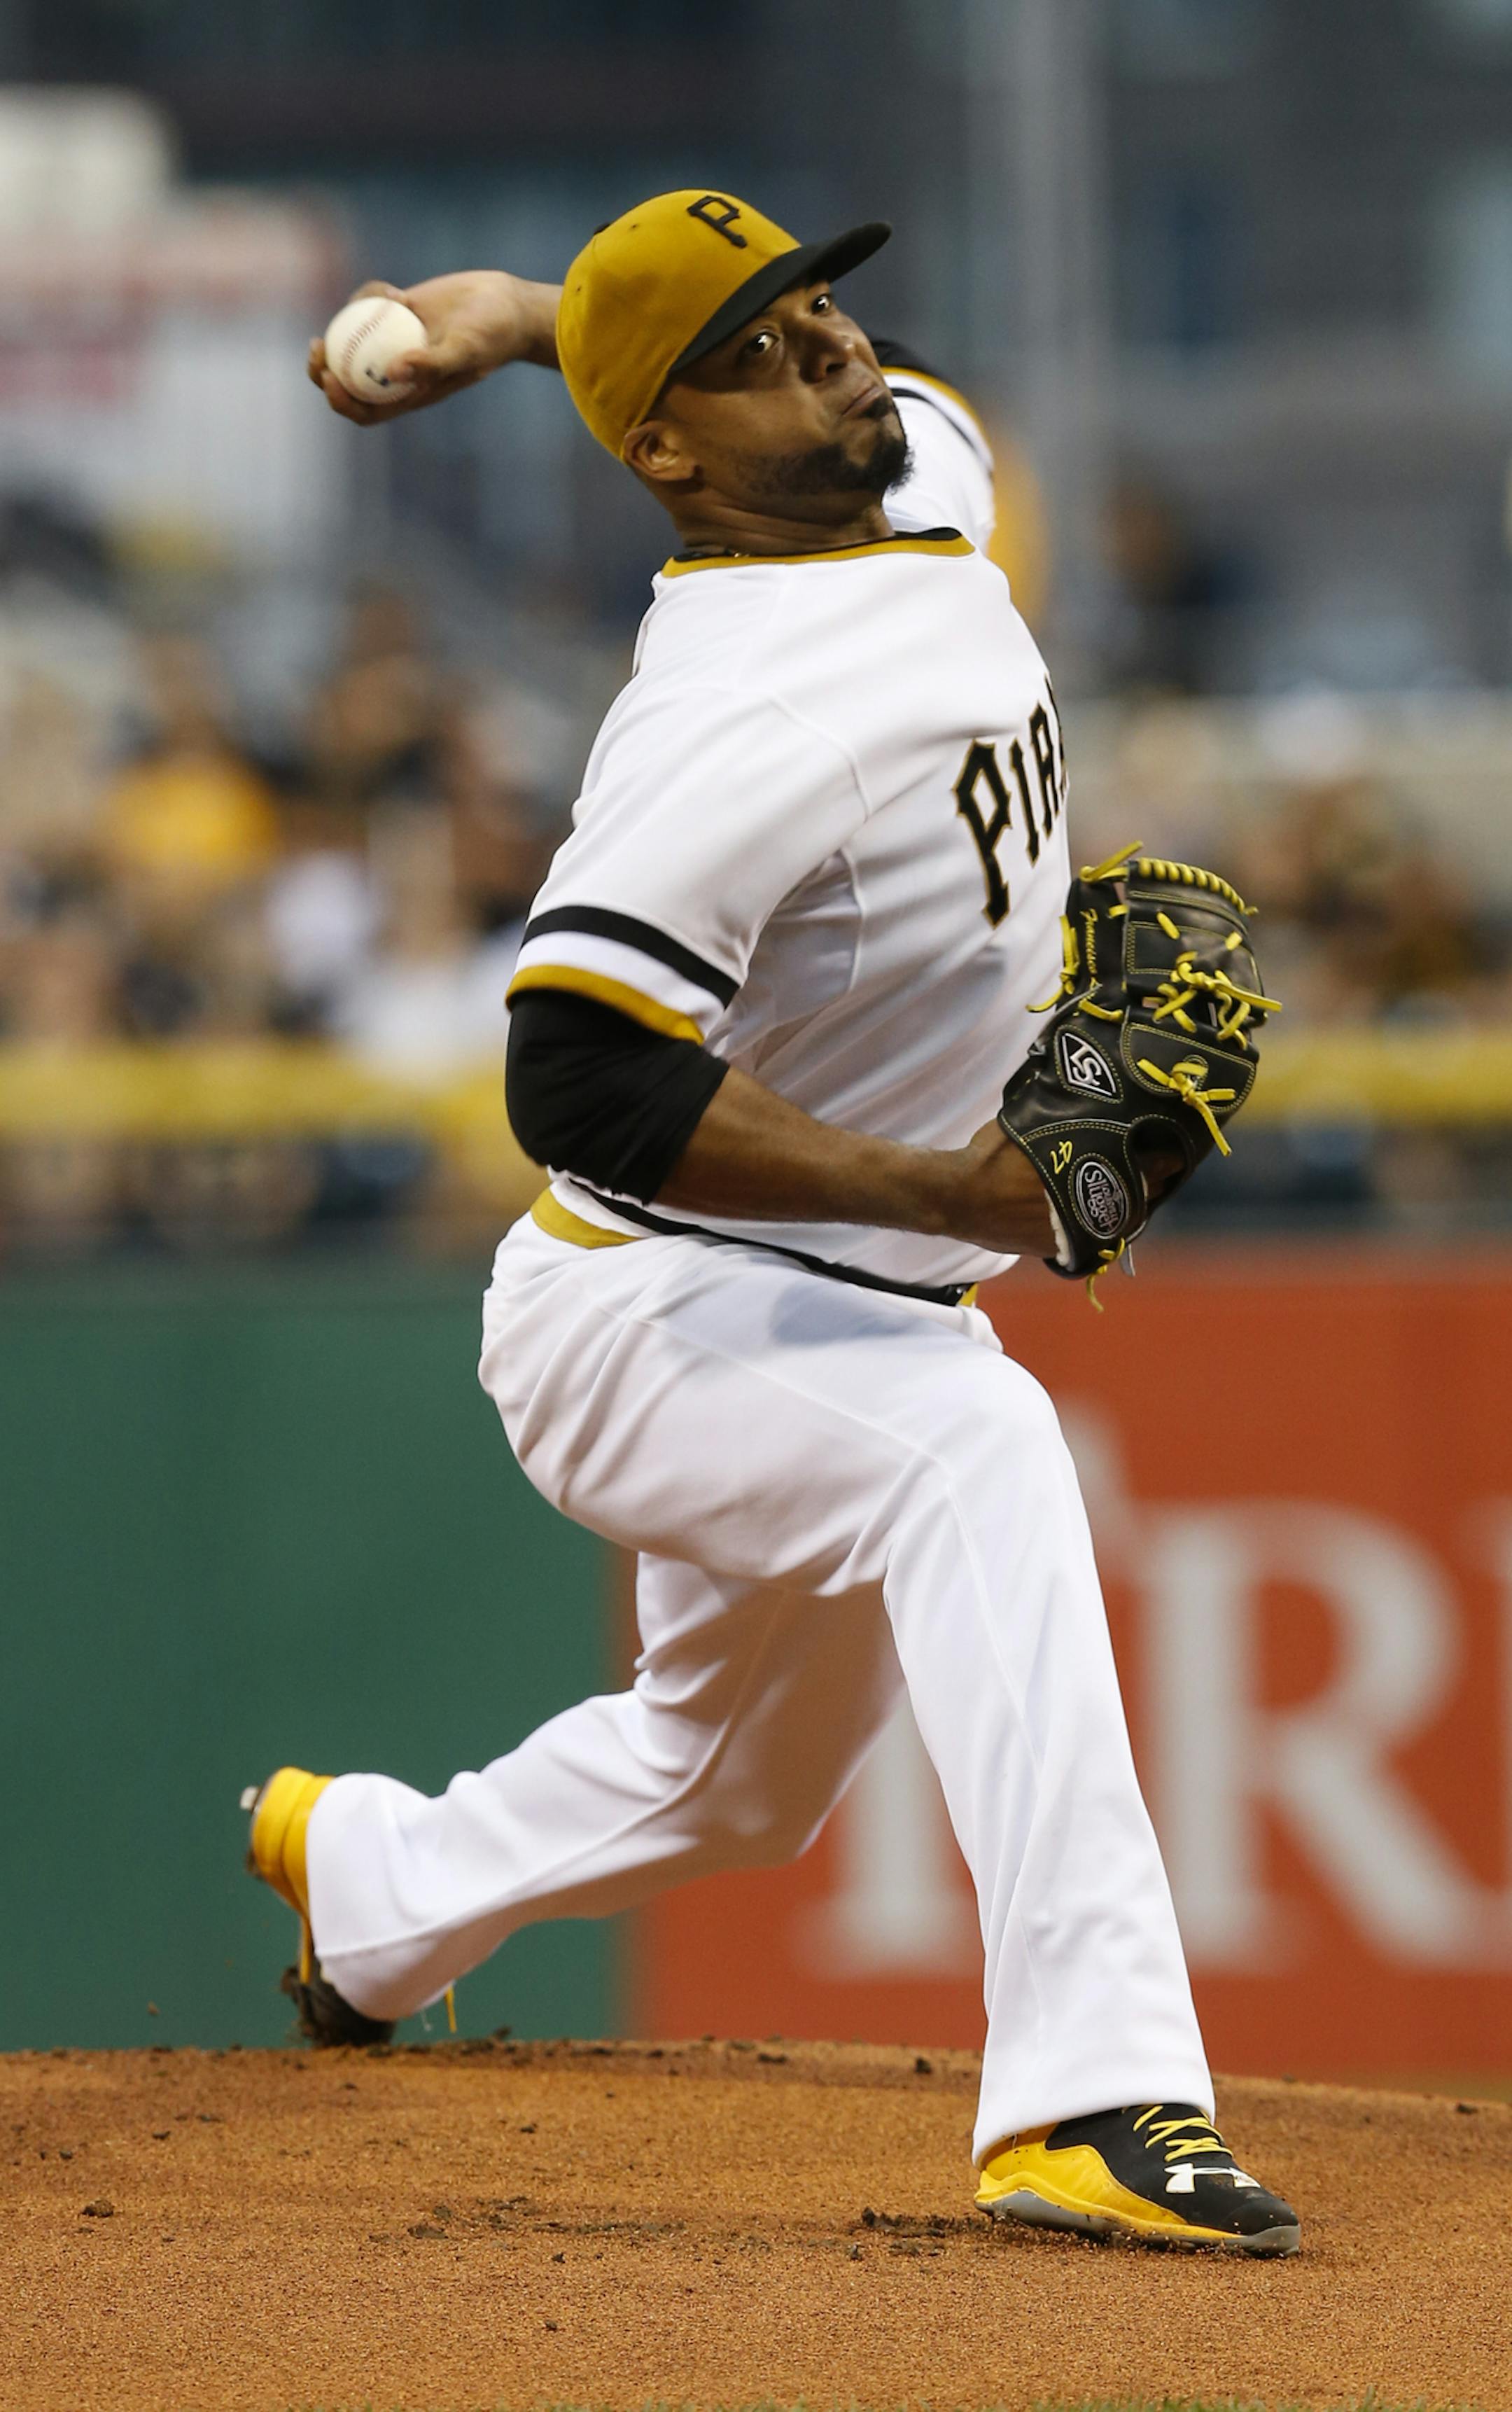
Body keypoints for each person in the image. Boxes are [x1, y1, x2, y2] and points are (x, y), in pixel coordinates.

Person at [244, 191, 1299, 2256]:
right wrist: (952, 1190)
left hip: (847, 1308)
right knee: (980, 1454)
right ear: (669, 449)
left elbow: (867, 394)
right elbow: (576, 1070)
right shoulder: (730, 716)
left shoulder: (910, 470)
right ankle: (1091, 2100)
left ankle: (377, 1888)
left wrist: (529, 317)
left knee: (732, 1780)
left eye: (823, 311)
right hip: (648, 1309)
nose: (836, 359)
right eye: (763, 350)